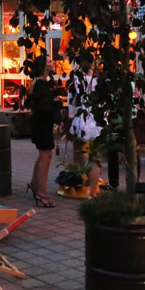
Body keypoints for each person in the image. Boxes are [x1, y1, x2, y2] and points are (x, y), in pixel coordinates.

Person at [26, 55, 61, 208]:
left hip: (42, 122)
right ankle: (42, 192)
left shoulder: (43, 83)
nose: (52, 62)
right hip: (42, 123)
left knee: (44, 155)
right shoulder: (40, 84)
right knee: (46, 156)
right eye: (49, 61)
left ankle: (35, 185)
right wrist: (54, 102)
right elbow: (43, 106)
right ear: (44, 66)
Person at [68, 62, 102, 197]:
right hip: (97, 119)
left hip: (83, 118)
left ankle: (91, 186)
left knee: (80, 151)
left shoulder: (77, 80)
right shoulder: (99, 81)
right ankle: (92, 186)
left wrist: (70, 116)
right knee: (94, 155)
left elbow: (72, 100)